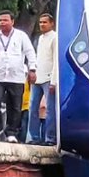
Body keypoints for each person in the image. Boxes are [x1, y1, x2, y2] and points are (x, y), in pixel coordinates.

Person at [0, 10, 36, 142]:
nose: (2, 23)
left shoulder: (21, 36)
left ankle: (11, 132)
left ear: (12, 21)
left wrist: (32, 69)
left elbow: (30, 52)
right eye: (0, 20)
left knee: (15, 106)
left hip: (16, 76)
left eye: (5, 20)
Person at [27, 12, 59, 145]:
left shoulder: (55, 37)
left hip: (49, 78)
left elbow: (56, 60)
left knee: (50, 110)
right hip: (38, 78)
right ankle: (34, 137)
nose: (42, 25)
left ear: (52, 23)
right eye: (40, 22)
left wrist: (54, 81)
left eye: (45, 22)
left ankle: (50, 138)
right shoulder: (40, 38)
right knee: (33, 108)